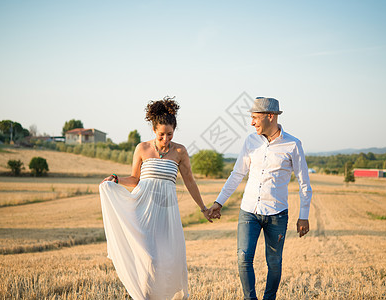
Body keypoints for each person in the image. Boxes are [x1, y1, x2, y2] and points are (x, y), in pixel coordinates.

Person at [99, 97, 212, 300]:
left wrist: (203, 208)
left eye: (170, 134)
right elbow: (135, 179)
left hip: (166, 214)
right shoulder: (142, 149)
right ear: (154, 130)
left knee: (168, 261)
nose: (166, 138)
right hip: (142, 210)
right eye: (162, 134)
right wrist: (116, 179)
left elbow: (190, 182)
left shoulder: (180, 151)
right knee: (149, 260)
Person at [208, 97, 313, 300]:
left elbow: (304, 183)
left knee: (274, 262)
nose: (252, 122)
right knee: (243, 257)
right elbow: (237, 174)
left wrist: (304, 216)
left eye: (255, 117)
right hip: (249, 211)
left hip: (277, 214)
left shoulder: (293, 144)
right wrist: (218, 202)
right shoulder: (250, 141)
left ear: (270, 117)